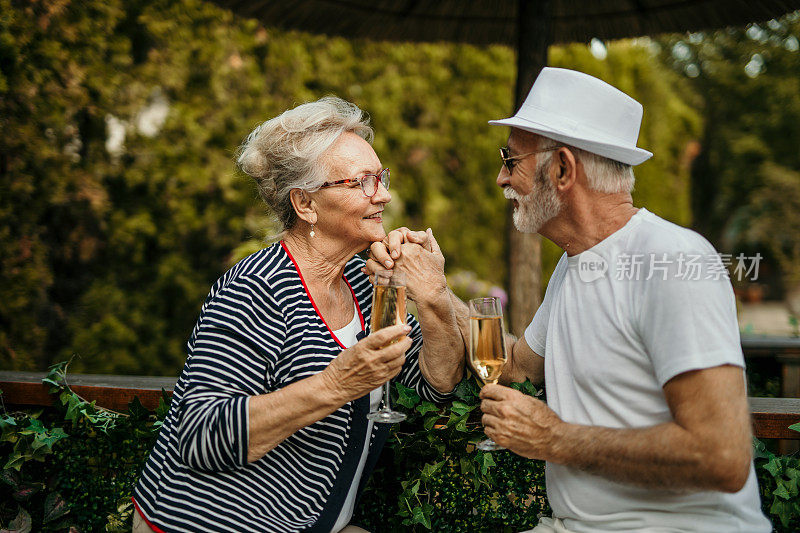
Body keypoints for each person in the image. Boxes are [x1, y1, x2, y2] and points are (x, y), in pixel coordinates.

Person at [368, 68, 771, 532]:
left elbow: (722, 457)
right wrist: (435, 291)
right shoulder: (576, 263)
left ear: (562, 168)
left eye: (510, 159)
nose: (501, 178)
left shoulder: (671, 261)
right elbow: (515, 364)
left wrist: (555, 438)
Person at [131, 96, 464, 533]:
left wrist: (435, 297)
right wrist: (336, 384)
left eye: (381, 177)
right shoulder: (256, 289)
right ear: (305, 203)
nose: (383, 194)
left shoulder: (366, 283)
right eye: (362, 182)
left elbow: (435, 383)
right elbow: (201, 437)